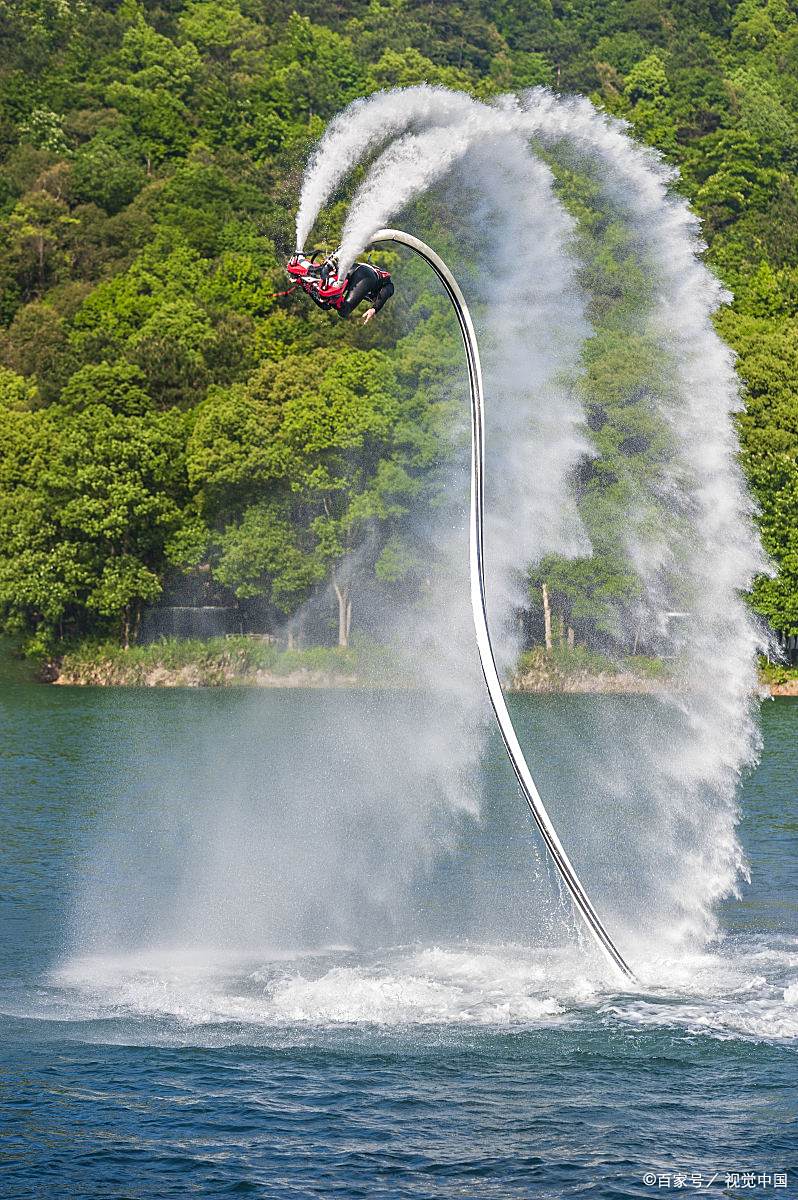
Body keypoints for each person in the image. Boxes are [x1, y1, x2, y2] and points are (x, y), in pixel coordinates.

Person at [286, 252, 394, 322]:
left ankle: (306, 282)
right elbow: (385, 294)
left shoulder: (375, 275)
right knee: (344, 311)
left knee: (326, 304)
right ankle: (319, 279)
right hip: (365, 275)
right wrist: (374, 309)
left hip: (351, 269)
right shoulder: (388, 284)